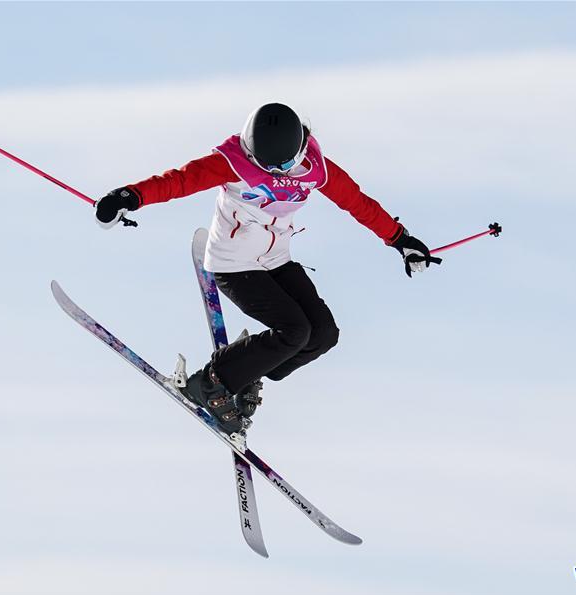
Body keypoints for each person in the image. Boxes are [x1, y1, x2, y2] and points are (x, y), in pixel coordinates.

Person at [95, 103, 438, 433]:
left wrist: (399, 240)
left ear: (301, 149)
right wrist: (127, 197)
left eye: (283, 165)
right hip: (234, 263)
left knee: (322, 335)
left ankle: (242, 374)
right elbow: (180, 180)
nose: (274, 173)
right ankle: (210, 383)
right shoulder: (232, 162)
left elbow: (357, 202)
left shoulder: (316, 169)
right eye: (264, 164)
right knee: (293, 331)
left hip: (276, 260)